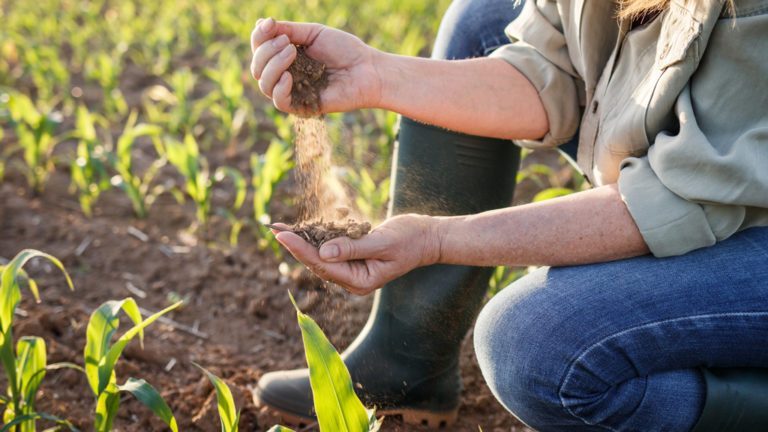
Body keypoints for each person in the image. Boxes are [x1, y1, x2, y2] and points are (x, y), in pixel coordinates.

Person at [249, 0, 768, 430]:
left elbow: (673, 202)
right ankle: (408, 359)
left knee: (535, 345)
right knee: (484, 22)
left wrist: (436, 240)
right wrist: (377, 74)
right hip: (715, 173)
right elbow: (554, 75)